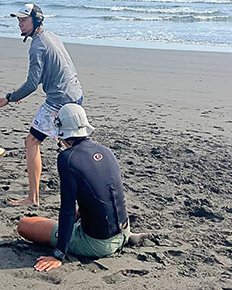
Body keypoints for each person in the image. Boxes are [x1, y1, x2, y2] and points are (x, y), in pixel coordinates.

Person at [17, 104, 144, 271]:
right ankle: (126, 238)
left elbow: (67, 209)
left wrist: (59, 254)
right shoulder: (105, 151)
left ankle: (88, 241)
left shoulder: (67, 158)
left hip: (98, 244)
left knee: (24, 225)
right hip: (123, 230)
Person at [0, 3, 83, 206]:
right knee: (72, 144)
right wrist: (20, 93)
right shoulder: (51, 37)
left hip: (59, 102)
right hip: (76, 94)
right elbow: (48, 72)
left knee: (32, 141)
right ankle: (86, 184)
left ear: (36, 20)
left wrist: (9, 98)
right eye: (19, 20)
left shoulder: (37, 46)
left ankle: (32, 198)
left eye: (24, 20)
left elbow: (32, 84)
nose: (20, 24)